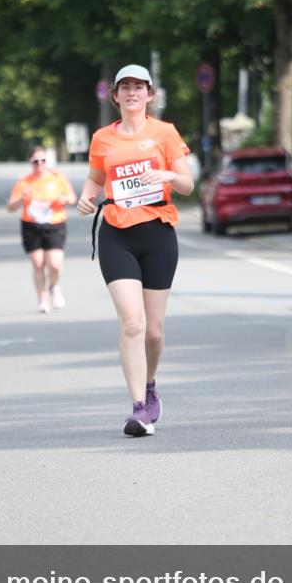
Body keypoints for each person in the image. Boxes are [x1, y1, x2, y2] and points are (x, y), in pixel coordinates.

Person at [77, 64, 193, 437]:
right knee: (132, 323)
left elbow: (189, 184)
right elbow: (96, 177)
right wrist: (85, 196)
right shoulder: (102, 139)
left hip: (158, 232)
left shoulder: (165, 133)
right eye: (124, 87)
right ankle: (138, 410)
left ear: (150, 94)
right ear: (114, 96)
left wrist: (168, 176)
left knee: (154, 332)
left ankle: (150, 383)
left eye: (138, 87)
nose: (131, 93)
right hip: (116, 234)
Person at [8, 146, 76, 313]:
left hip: (54, 225)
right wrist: (21, 200)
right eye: (35, 161)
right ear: (30, 162)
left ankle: (53, 286)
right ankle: (42, 297)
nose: (40, 164)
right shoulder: (24, 183)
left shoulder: (58, 178)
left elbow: (72, 198)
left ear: (47, 161)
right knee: (38, 264)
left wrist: (64, 199)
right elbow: (10, 207)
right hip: (31, 225)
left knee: (55, 265)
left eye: (43, 160)